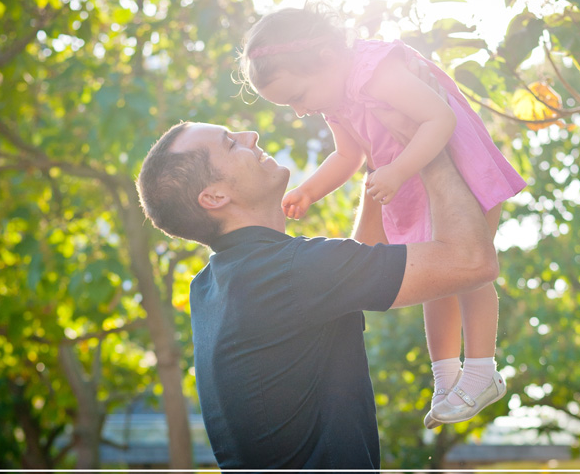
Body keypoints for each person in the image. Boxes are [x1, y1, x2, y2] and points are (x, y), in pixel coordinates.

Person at [135, 121, 499, 469]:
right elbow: (472, 261)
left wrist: (379, 161)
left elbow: (350, 271)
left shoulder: (216, 284)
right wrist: (428, 147)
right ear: (215, 196)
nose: (251, 135)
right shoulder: (292, 272)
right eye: (231, 143)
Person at [239, 3, 527, 429]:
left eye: (298, 96)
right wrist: (308, 190)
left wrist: (396, 170)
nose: (300, 110)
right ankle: (446, 378)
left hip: (457, 172)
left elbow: (439, 119)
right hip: (412, 186)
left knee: (471, 272)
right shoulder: (335, 99)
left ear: (327, 59)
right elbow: (347, 154)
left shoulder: (376, 70)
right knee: (440, 281)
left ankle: (483, 370)